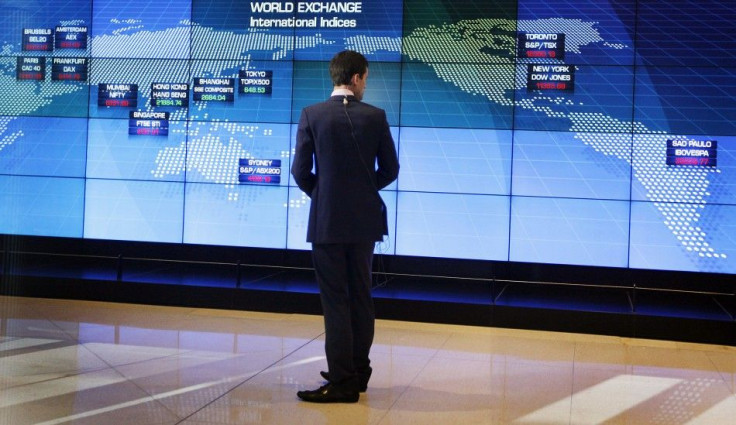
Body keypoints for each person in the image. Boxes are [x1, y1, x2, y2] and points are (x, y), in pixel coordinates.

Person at [291, 50, 399, 403]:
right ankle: (357, 373)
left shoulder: (312, 115)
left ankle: (342, 381)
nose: (365, 84)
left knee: (336, 302)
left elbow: (300, 172)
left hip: (327, 223)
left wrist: (324, 196)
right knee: (361, 298)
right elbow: (390, 170)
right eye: (365, 78)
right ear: (355, 78)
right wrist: (362, 192)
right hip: (364, 222)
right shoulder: (376, 117)